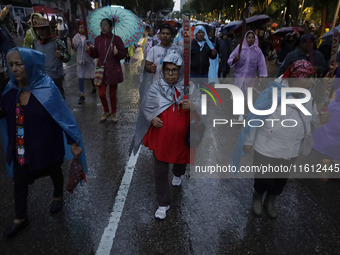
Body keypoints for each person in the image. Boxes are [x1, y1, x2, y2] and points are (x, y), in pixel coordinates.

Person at [0, 47, 87, 238]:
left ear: (30, 65)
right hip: (21, 149)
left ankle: (57, 195)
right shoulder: (10, 89)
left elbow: (63, 117)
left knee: (53, 171)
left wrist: (73, 143)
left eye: (19, 64)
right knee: (19, 180)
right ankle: (20, 217)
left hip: (46, 146)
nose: (14, 69)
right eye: (11, 64)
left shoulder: (47, 88)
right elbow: (4, 112)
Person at [232, 60, 329, 219]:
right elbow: (255, 118)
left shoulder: (309, 97)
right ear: (297, 78)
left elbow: (311, 122)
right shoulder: (273, 93)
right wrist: (248, 141)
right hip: (267, 147)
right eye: (309, 77)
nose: (313, 81)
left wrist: (321, 119)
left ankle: (271, 200)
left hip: (291, 149)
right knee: (264, 178)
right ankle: (258, 196)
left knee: (280, 180)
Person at [133, 50, 201, 220]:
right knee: (160, 170)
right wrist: (152, 117)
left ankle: (178, 174)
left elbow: (202, 107)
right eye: (167, 70)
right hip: (161, 138)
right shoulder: (156, 87)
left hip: (182, 139)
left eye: (174, 70)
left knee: (180, 162)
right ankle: (163, 203)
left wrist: (193, 106)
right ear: (162, 71)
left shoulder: (189, 87)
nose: (171, 74)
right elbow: (146, 107)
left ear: (180, 70)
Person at [86, 18, 126, 123]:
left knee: (113, 94)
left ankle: (113, 113)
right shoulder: (97, 39)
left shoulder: (117, 39)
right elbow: (95, 54)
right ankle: (106, 111)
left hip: (113, 70)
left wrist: (118, 53)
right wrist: (90, 51)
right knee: (102, 93)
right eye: (101, 25)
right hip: (101, 70)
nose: (103, 27)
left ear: (111, 27)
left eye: (105, 25)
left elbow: (123, 54)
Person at [228, 30, 268, 120]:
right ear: (245, 38)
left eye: (252, 38)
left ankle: (242, 112)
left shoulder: (257, 51)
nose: (250, 39)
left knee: (246, 95)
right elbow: (230, 59)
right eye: (249, 37)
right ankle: (240, 114)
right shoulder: (240, 48)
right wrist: (235, 59)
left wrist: (262, 75)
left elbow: (261, 63)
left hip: (250, 77)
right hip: (239, 76)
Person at [33, 18, 70, 98]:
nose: (40, 31)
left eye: (43, 29)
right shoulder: (35, 43)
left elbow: (67, 57)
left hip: (55, 76)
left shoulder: (57, 41)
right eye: (38, 29)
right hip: (41, 76)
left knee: (58, 98)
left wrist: (61, 55)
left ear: (48, 29)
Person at [72, 21, 96, 104]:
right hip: (80, 61)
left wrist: (90, 47)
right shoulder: (76, 37)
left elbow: (94, 47)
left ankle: (94, 87)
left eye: (83, 28)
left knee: (92, 76)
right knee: (80, 77)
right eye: (80, 28)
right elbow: (74, 49)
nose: (82, 29)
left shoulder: (90, 37)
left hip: (89, 60)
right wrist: (73, 46)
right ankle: (82, 95)